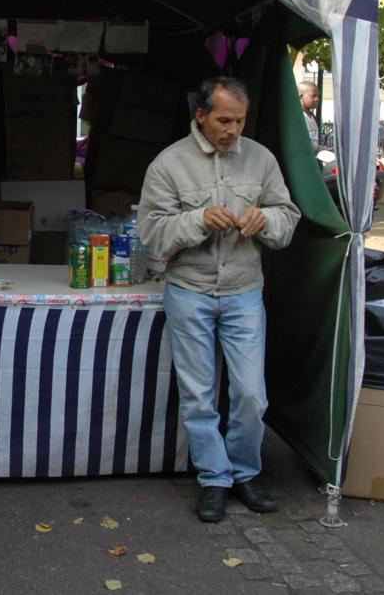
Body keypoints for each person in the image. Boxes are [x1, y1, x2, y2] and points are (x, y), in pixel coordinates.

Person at [138, 76, 300, 523]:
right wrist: (198, 220)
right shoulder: (168, 164)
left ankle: (245, 472)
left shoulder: (261, 159)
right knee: (198, 394)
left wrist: (265, 219)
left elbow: (288, 218)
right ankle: (214, 478)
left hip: (244, 290)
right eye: (224, 120)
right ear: (201, 115)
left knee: (251, 394)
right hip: (188, 289)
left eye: (240, 120)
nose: (232, 130)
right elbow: (151, 232)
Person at [298, 80, 322, 149]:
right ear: (301, 96)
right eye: (313, 96)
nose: (317, 99)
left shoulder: (313, 117)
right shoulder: (298, 117)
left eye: (318, 96)